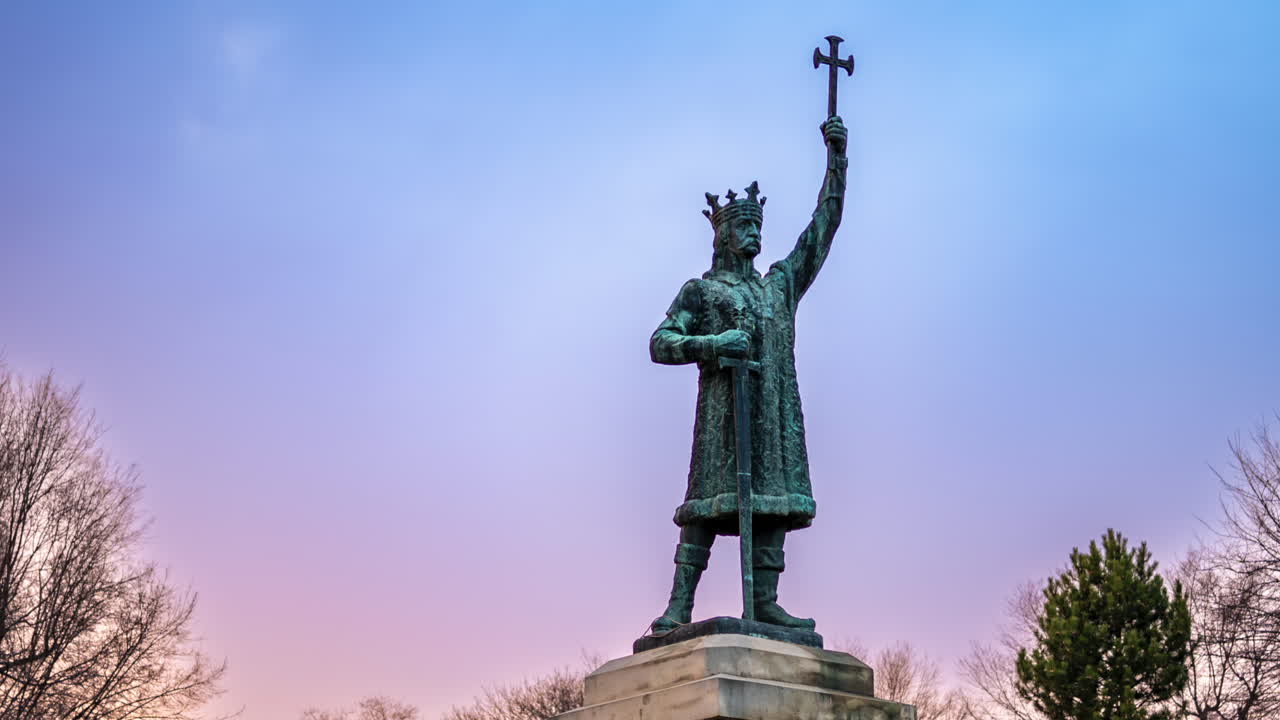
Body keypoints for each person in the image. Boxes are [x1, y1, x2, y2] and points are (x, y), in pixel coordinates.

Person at [647, 116, 848, 634]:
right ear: (723, 235)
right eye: (744, 226)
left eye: (758, 225)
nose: (754, 232)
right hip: (723, 420)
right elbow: (660, 343)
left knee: (773, 504)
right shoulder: (702, 291)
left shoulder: (779, 285)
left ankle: (764, 601)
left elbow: (820, 233)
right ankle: (679, 607)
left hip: (774, 415)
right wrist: (711, 345)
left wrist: (836, 163)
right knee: (705, 505)